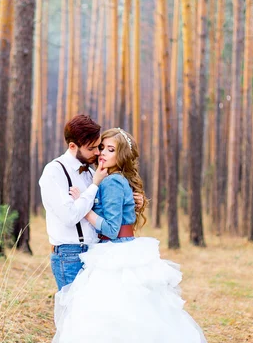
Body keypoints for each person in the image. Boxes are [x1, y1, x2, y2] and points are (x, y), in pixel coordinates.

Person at [53, 128, 207, 343]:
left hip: (115, 252)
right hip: (118, 249)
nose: (103, 153)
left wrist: (84, 209)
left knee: (114, 314)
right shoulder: (109, 177)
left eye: (110, 149)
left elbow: (111, 229)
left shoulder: (112, 182)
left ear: (122, 154)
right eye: (101, 148)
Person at [39, 115, 143, 291]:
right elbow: (70, 216)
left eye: (99, 147)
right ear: (73, 146)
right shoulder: (54, 172)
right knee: (72, 313)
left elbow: (104, 207)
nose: (97, 153)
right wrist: (94, 186)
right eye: (93, 148)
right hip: (70, 254)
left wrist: (129, 201)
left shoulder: (92, 171)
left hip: (95, 252)